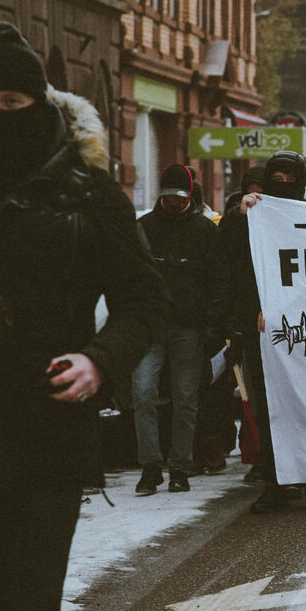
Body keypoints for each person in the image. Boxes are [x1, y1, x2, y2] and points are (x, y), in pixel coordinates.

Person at [0, 21, 167, 611]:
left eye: (12, 102)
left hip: (43, 432)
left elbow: (145, 299)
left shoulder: (88, 193)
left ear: (41, 103)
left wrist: (99, 360)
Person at [223, 150, 306, 513]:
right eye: (277, 179)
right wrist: (240, 215)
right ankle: (276, 480)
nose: (283, 185)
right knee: (270, 410)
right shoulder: (253, 214)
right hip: (261, 328)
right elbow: (229, 260)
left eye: (291, 179)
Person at [132, 164, 226, 495]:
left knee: (185, 398)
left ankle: (179, 466)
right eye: (171, 197)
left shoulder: (204, 231)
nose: (176, 203)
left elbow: (218, 279)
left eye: (181, 198)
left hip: (188, 326)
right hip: (152, 325)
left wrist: (213, 323)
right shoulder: (144, 228)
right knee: (143, 393)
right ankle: (151, 465)